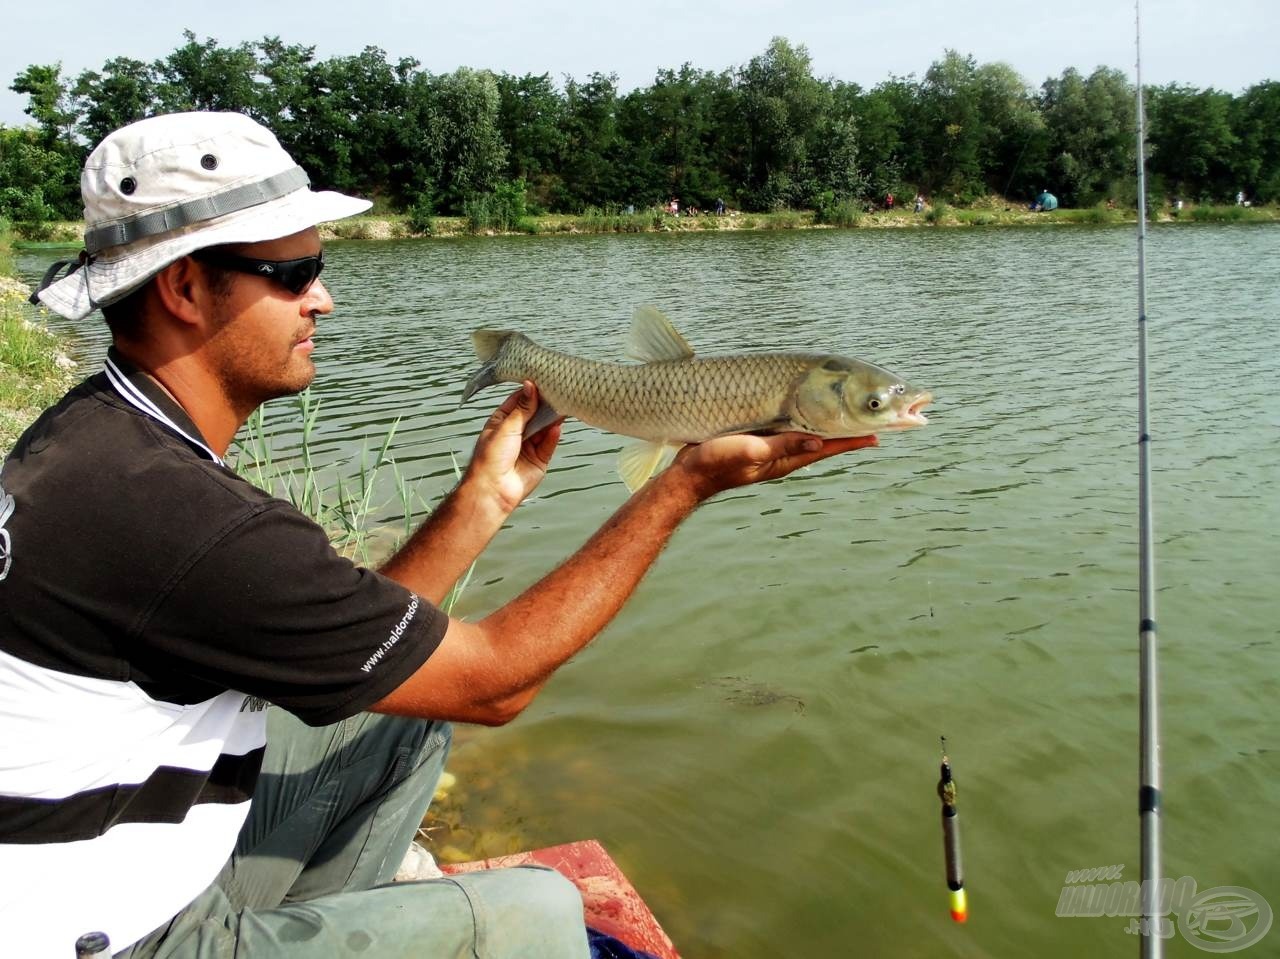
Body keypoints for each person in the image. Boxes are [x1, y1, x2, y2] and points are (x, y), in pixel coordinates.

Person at [0, 112, 875, 958]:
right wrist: (684, 483)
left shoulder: (98, 440)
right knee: (541, 908)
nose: (325, 300)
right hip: (113, 934)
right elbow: (495, 687)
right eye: (295, 272)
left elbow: (391, 658)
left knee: (400, 722)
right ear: (185, 288)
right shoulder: (186, 520)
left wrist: (484, 497)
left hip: (100, 853)